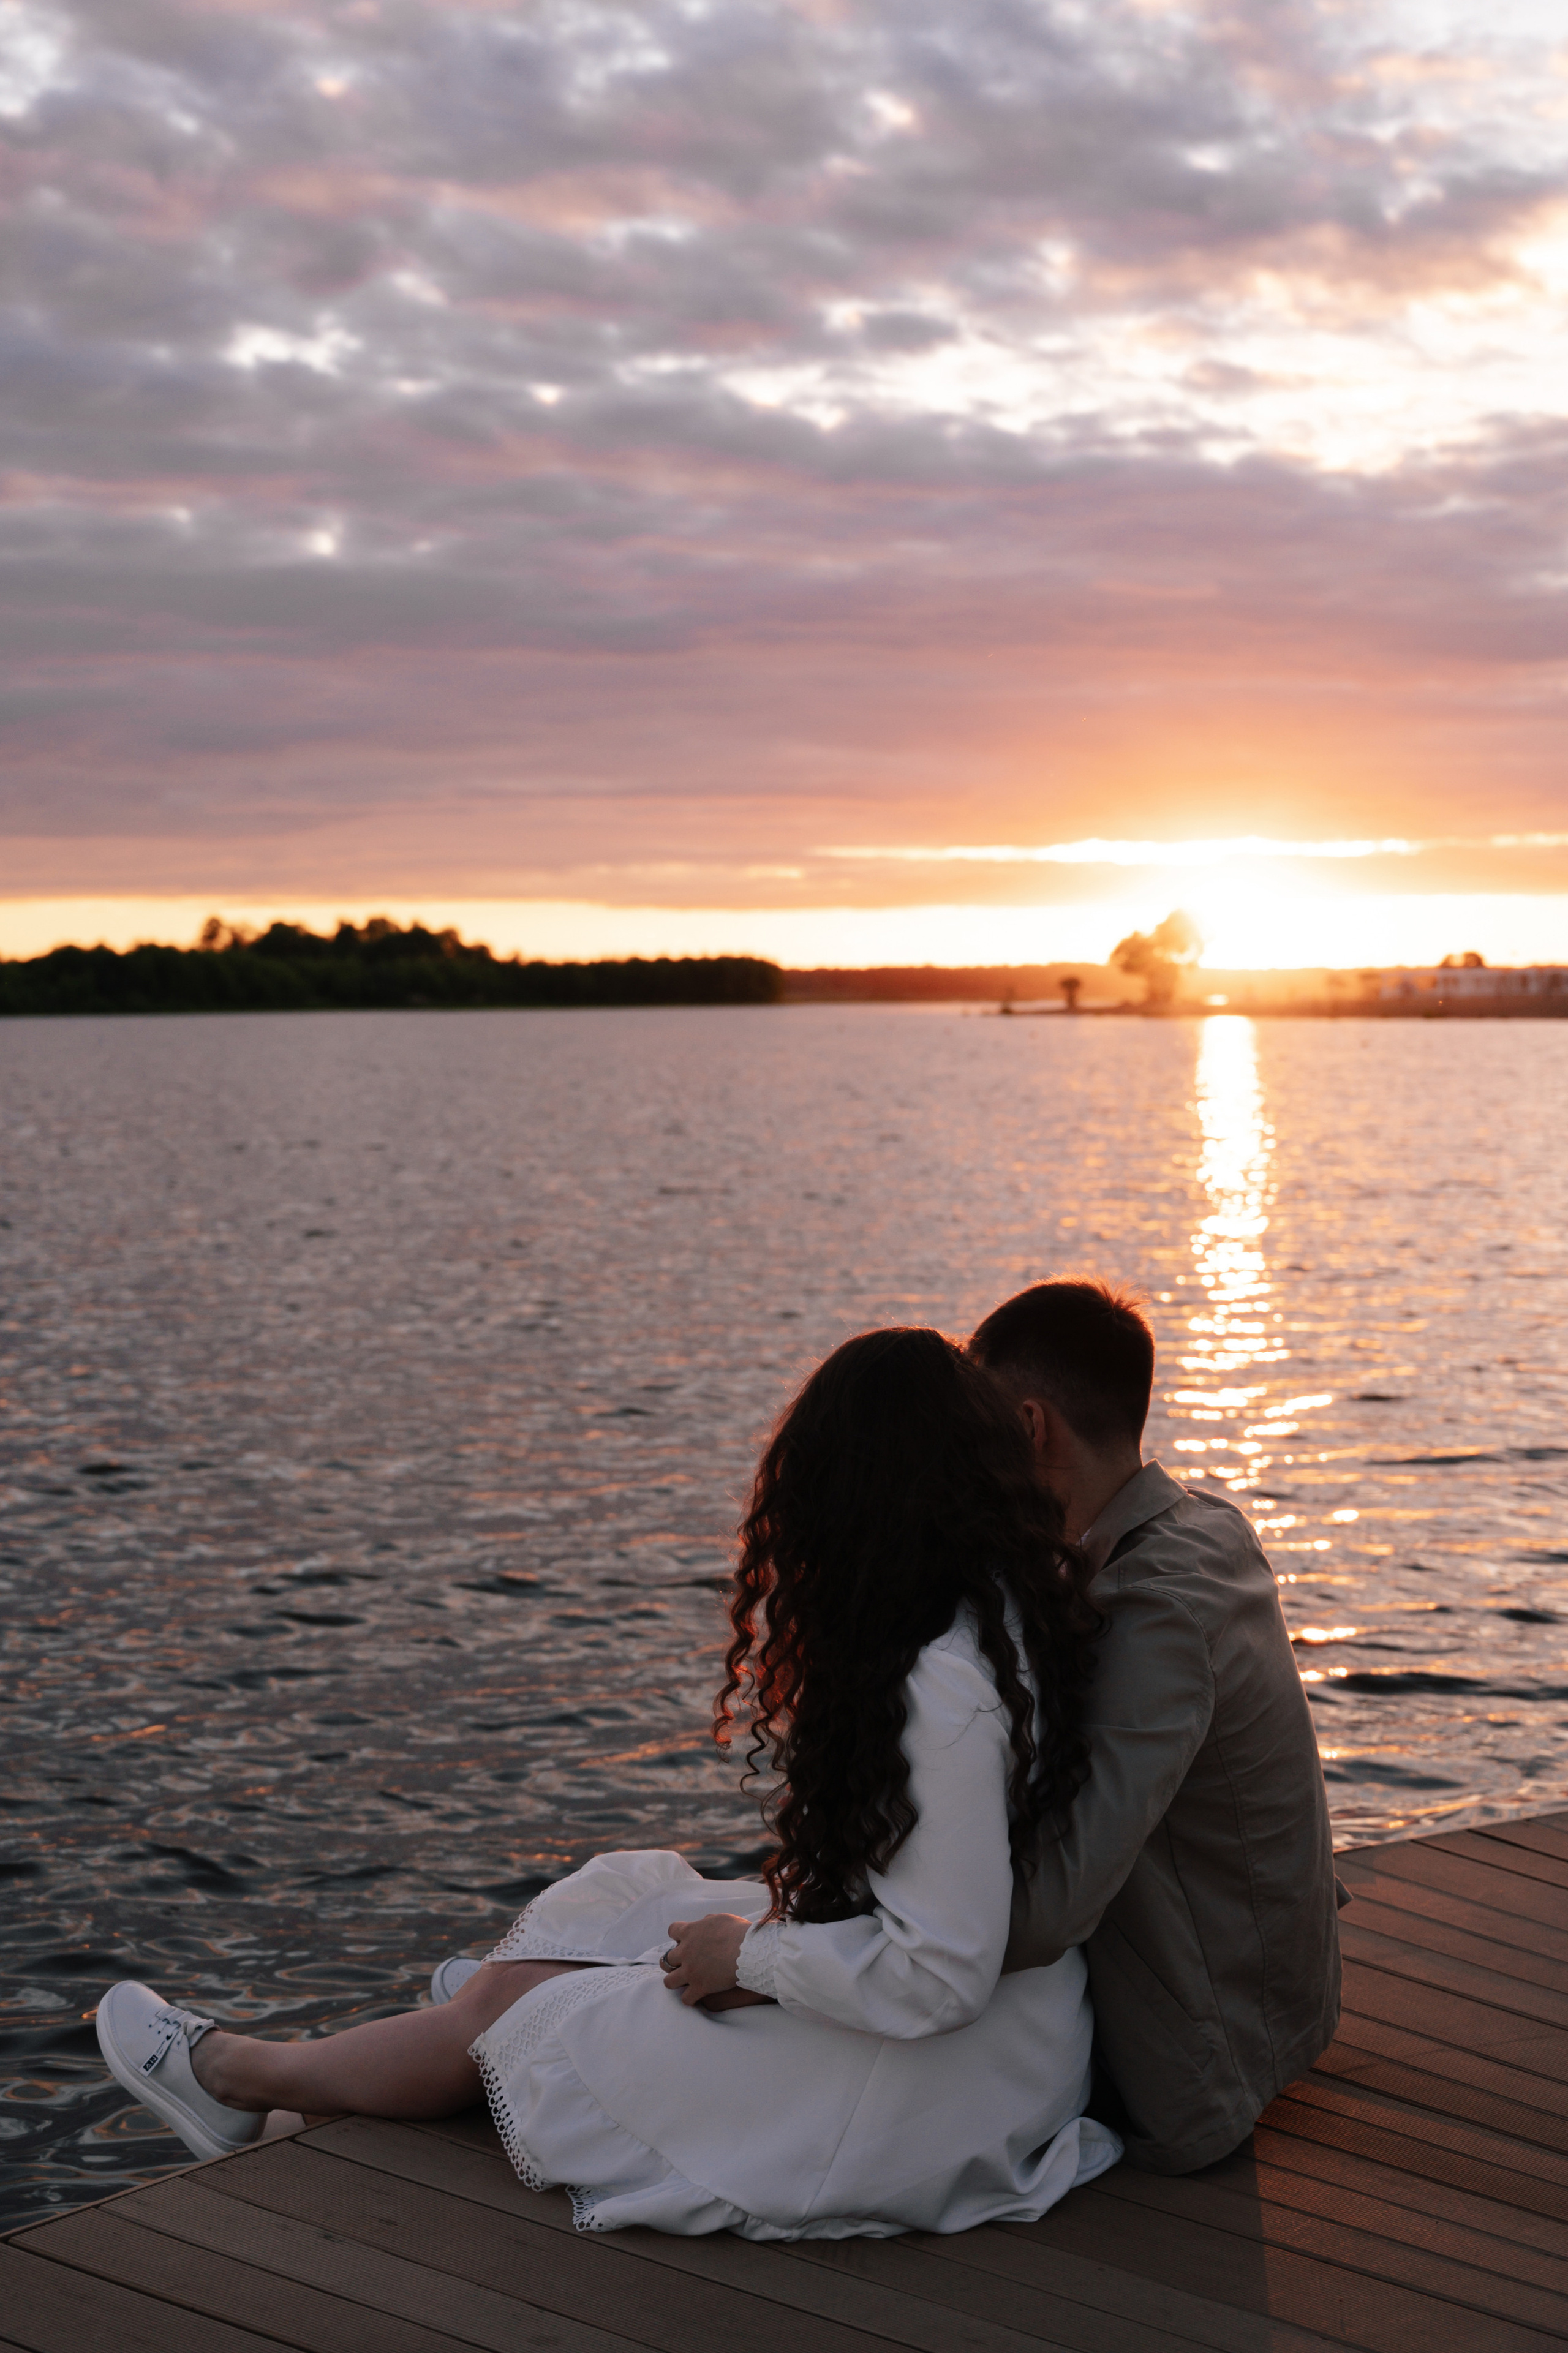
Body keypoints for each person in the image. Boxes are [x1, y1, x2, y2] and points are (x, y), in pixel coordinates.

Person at [96, 1328, 1123, 2238]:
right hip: (994, 2041)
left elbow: (941, 1971)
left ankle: (244, 2077)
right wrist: (754, 1952)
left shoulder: (942, 1676)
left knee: (550, 2017)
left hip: (938, 2085)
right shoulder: (1000, 1606)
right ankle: (287, 2088)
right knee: (617, 1915)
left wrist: (755, 1961)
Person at [969, 1278, 1342, 2177]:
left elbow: (1054, 1906)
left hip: (1196, 2066)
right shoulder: (1202, 1526)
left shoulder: (1157, 1609)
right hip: (1281, 2004)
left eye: (971, 1432)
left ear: (1027, 1427)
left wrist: (838, 1956)